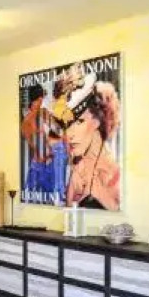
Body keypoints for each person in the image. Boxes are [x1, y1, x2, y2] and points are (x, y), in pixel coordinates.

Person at [65, 79, 121, 210]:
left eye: (79, 122)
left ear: (97, 121)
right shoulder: (77, 173)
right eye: (67, 125)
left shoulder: (114, 178)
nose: (68, 134)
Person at [21, 85, 52, 197]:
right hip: (42, 163)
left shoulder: (28, 119)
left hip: (38, 163)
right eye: (42, 98)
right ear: (39, 99)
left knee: (30, 196)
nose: (42, 101)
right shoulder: (37, 116)